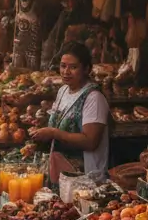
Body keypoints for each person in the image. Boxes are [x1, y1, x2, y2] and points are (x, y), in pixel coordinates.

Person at [30, 41, 110, 177]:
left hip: (85, 177)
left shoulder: (93, 98)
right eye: (63, 66)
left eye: (73, 67)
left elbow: (90, 142)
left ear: (86, 69)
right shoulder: (63, 90)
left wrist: (54, 133)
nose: (66, 72)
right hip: (60, 169)